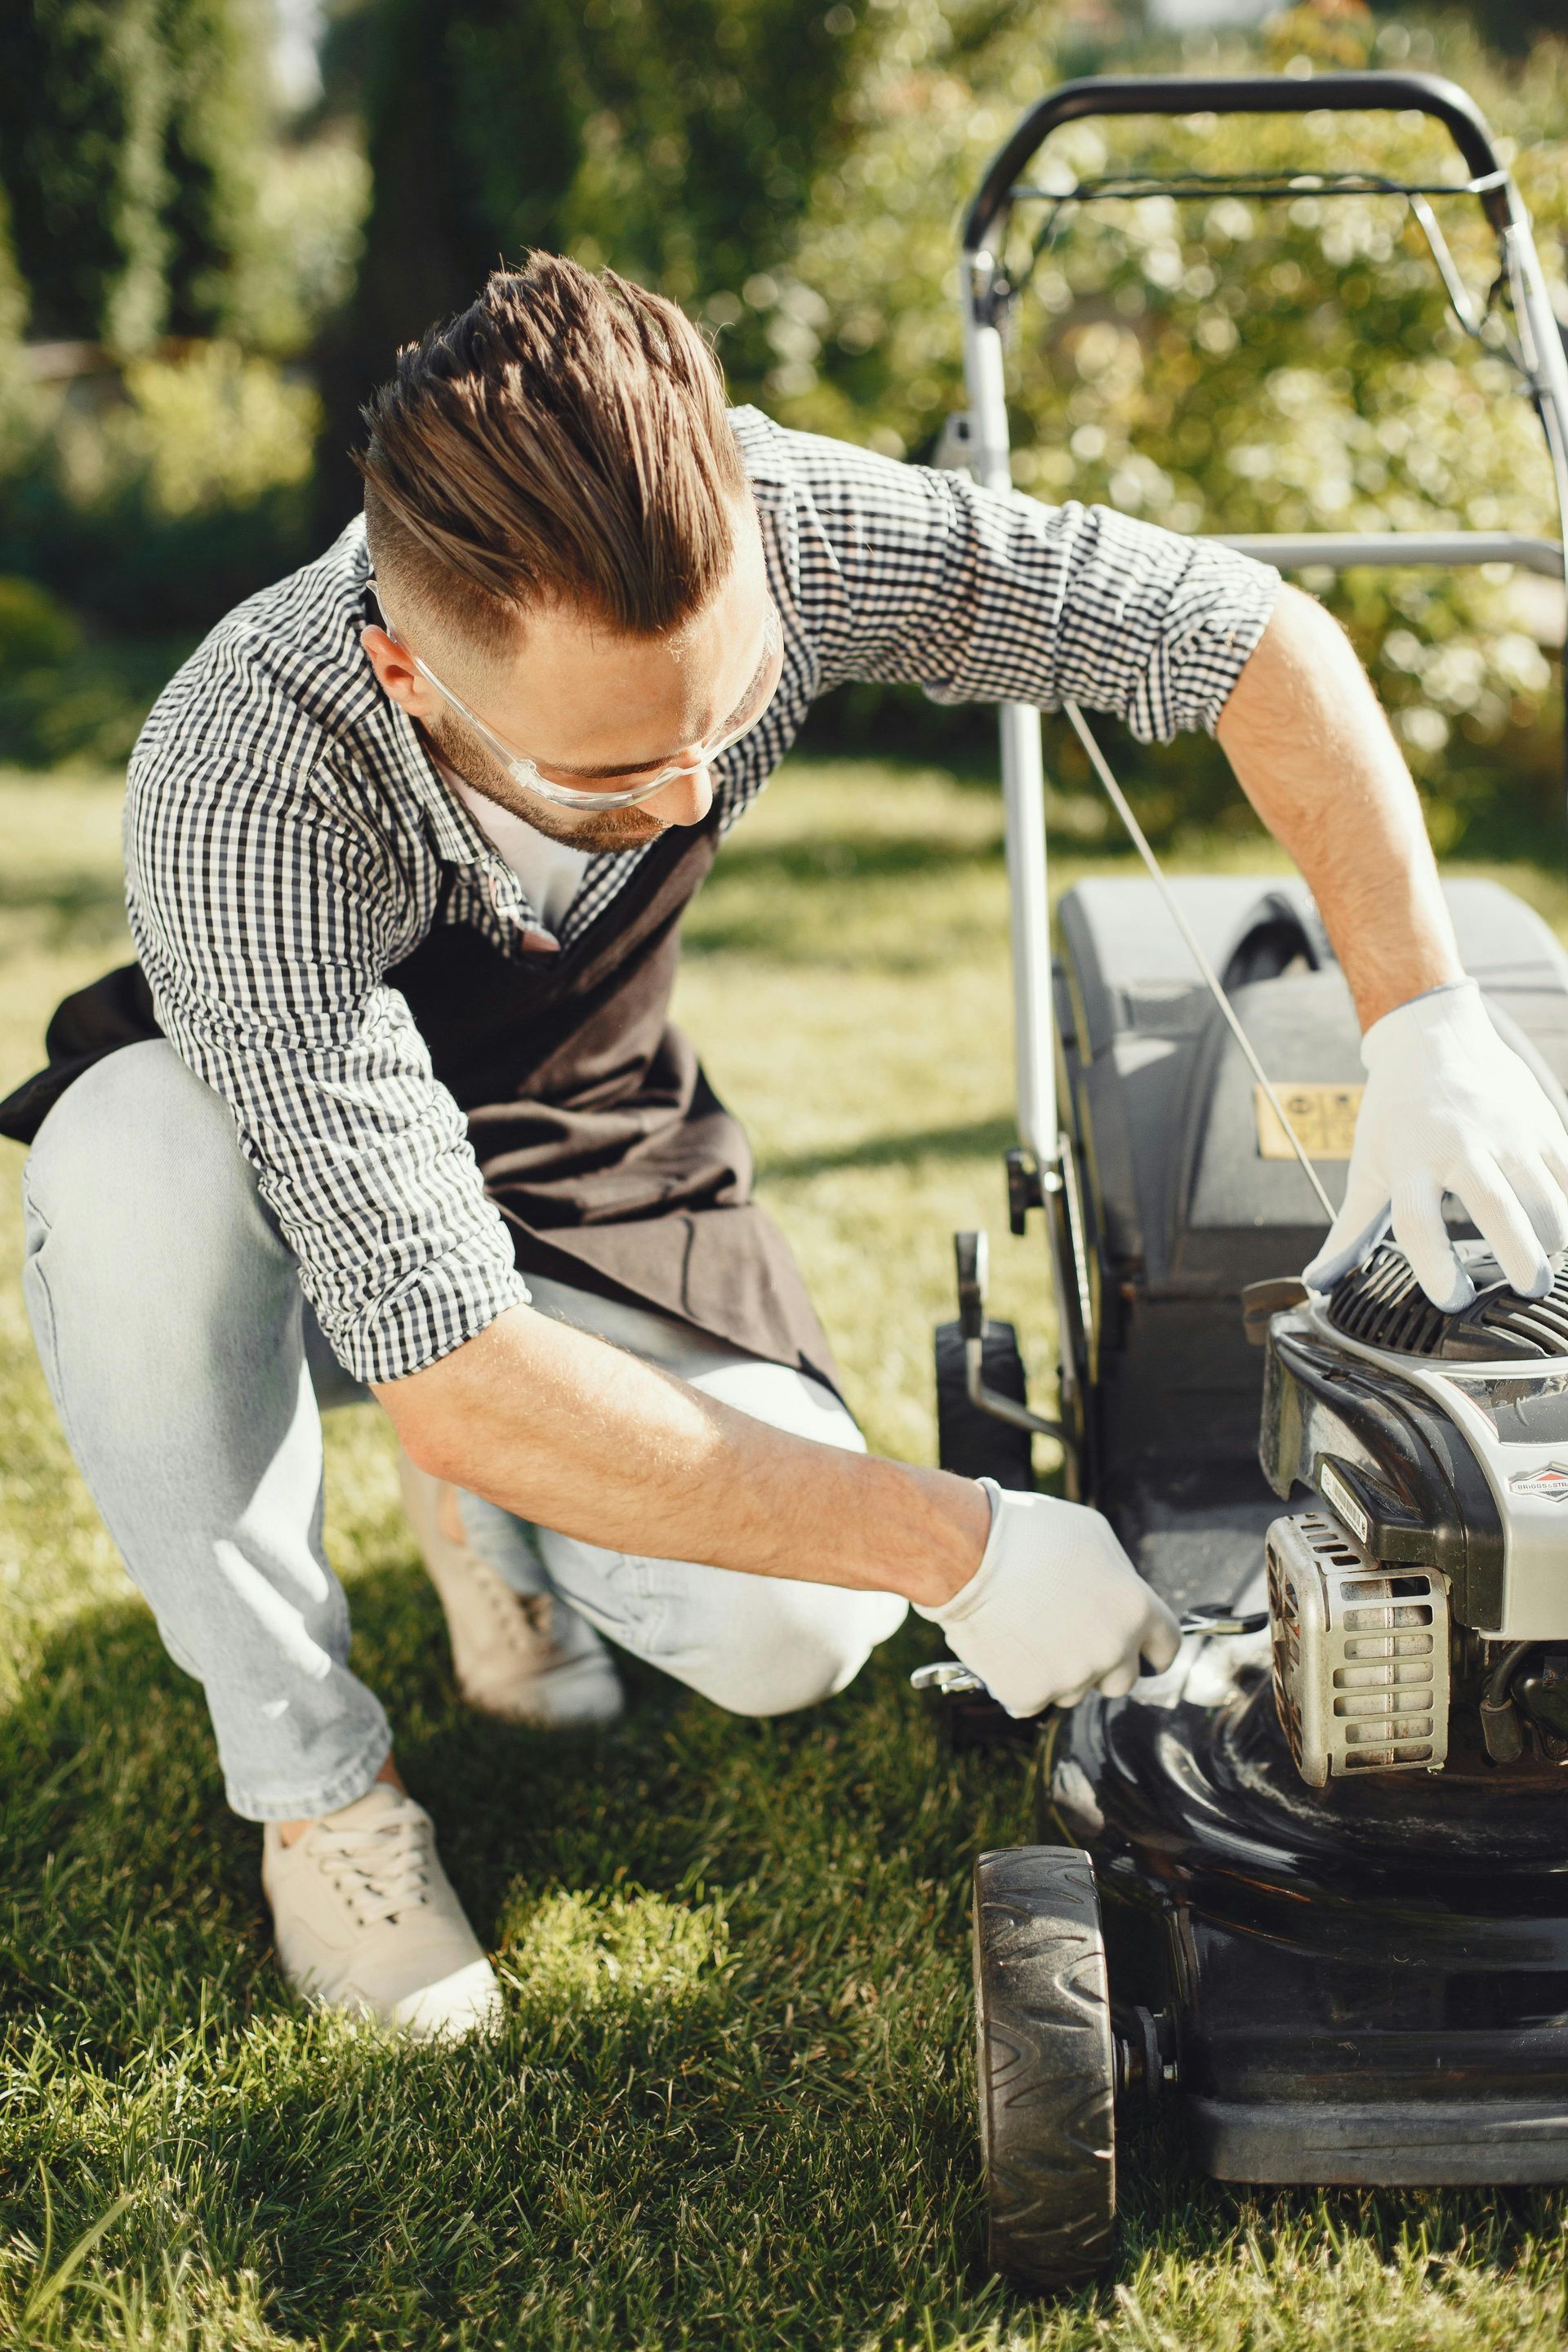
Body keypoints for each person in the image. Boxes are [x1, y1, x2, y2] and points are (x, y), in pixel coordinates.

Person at [10, 255, 1568, 2041]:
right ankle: (316, 1790)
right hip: (265, 1164)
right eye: (612, 781)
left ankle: (500, 1514)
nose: (686, 799)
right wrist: (967, 1547)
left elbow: (1244, 636)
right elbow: (450, 1368)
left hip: (590, 1128)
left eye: (728, 718)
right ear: (408, 678)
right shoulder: (243, 770)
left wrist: (1421, 1012)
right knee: (127, 1169)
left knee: (791, 1642)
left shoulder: (802, 522)